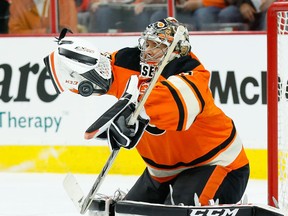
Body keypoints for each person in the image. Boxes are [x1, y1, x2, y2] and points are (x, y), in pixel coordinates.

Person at [44, 17, 250, 206]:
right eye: (147, 43)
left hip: (217, 162)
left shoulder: (193, 72)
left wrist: (134, 111)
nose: (148, 51)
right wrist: (78, 65)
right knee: (130, 211)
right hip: (162, 172)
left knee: (182, 207)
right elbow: (104, 70)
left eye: (157, 46)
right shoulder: (130, 61)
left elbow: (178, 106)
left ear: (176, 50)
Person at [8, 0, 78, 34]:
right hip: (26, 52)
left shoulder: (64, 2)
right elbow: (14, 34)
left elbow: (68, 32)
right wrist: (45, 32)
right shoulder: (18, 3)